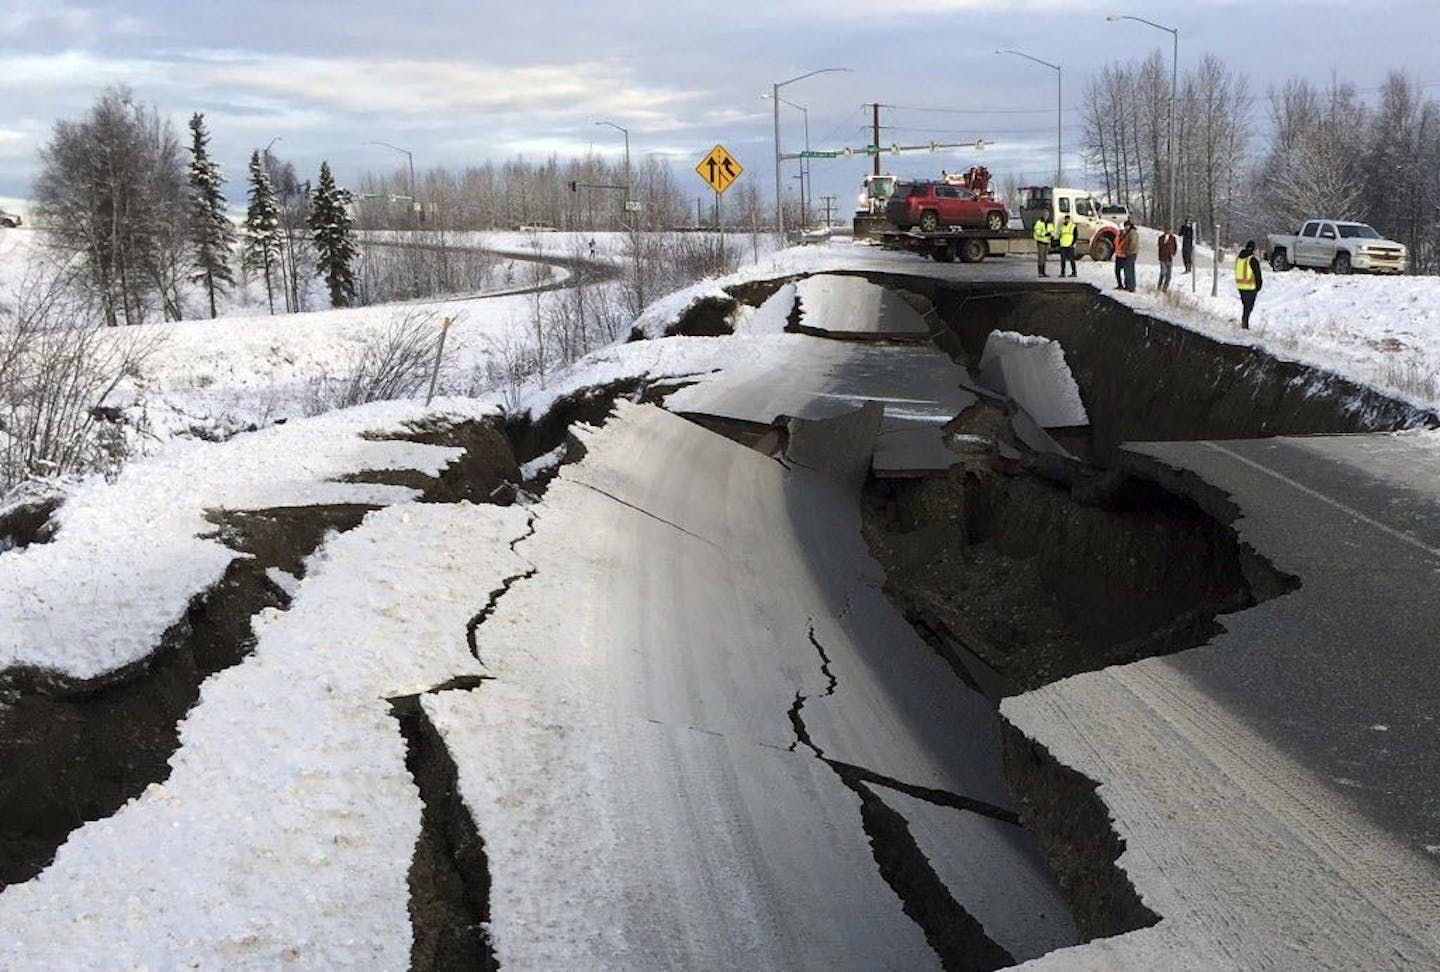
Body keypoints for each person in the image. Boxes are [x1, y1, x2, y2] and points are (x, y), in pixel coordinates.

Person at [1235, 239, 1263, 329]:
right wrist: (1258, 286)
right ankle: (1245, 325)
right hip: (1250, 287)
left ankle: (1244, 323)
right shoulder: (1252, 260)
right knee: (1249, 307)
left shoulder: (1239, 258)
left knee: (1245, 306)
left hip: (1240, 286)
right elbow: (1257, 274)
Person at [1120, 220, 1140, 292]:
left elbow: (1133, 243)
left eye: (1126, 226)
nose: (1125, 228)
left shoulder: (1132, 233)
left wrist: (1127, 251)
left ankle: (1131, 286)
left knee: (1129, 270)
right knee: (1128, 270)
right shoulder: (1129, 232)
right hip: (1129, 253)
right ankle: (1128, 285)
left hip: (1131, 254)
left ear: (1129, 226)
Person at [1032, 211, 1053, 277]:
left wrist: (1051, 234)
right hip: (1041, 242)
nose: (1046, 216)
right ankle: (1040, 273)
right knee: (1041, 258)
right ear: (1043, 215)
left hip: (1047, 242)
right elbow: (1037, 231)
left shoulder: (1050, 223)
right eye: (1045, 214)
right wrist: (1044, 234)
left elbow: (1052, 231)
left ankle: (1043, 272)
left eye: (1047, 215)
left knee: (1044, 258)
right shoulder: (1039, 222)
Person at [1112, 224, 1126, 289]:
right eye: (1120, 231)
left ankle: (1126, 284)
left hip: (1124, 257)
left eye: (1122, 231)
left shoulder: (1126, 238)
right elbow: (1115, 244)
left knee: (1125, 272)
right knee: (1117, 271)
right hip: (1118, 256)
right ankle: (1120, 284)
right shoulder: (1117, 237)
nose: (1121, 232)